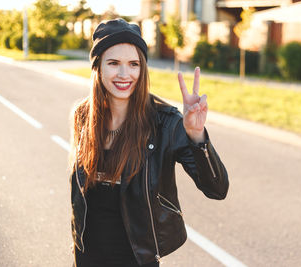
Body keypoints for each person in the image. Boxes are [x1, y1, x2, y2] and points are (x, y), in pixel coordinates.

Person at [69, 18, 229, 267]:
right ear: (97, 67)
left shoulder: (166, 123)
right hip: (87, 257)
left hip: (136, 260)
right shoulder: (83, 116)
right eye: (113, 63)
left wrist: (197, 135)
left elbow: (217, 189)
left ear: (142, 68)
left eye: (133, 64)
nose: (124, 74)